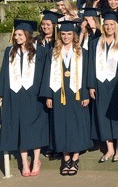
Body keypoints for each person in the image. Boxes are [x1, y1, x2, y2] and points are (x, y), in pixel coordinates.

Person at [0, 20, 49, 177]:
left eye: (19, 34)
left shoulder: (41, 51)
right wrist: (1, 92)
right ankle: (25, 163)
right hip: (14, 95)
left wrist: (45, 93)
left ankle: (36, 160)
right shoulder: (9, 51)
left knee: (34, 128)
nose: (16, 37)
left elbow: (45, 74)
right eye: (15, 34)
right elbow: (4, 72)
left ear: (27, 35)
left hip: (33, 96)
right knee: (19, 128)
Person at [40, 20, 93, 176]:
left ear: (74, 35)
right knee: (61, 124)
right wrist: (48, 95)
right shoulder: (53, 52)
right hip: (58, 94)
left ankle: (75, 159)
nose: (66, 37)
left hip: (77, 93)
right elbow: (47, 75)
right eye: (63, 34)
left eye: (69, 34)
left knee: (76, 125)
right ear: (59, 35)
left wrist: (85, 94)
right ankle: (66, 158)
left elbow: (87, 75)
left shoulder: (83, 52)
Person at [87, 12, 118, 163]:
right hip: (100, 83)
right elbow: (90, 66)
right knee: (102, 115)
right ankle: (109, 148)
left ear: (116, 26)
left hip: (117, 84)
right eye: (106, 24)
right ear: (103, 26)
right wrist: (91, 85)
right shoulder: (94, 43)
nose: (109, 27)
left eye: (112, 24)